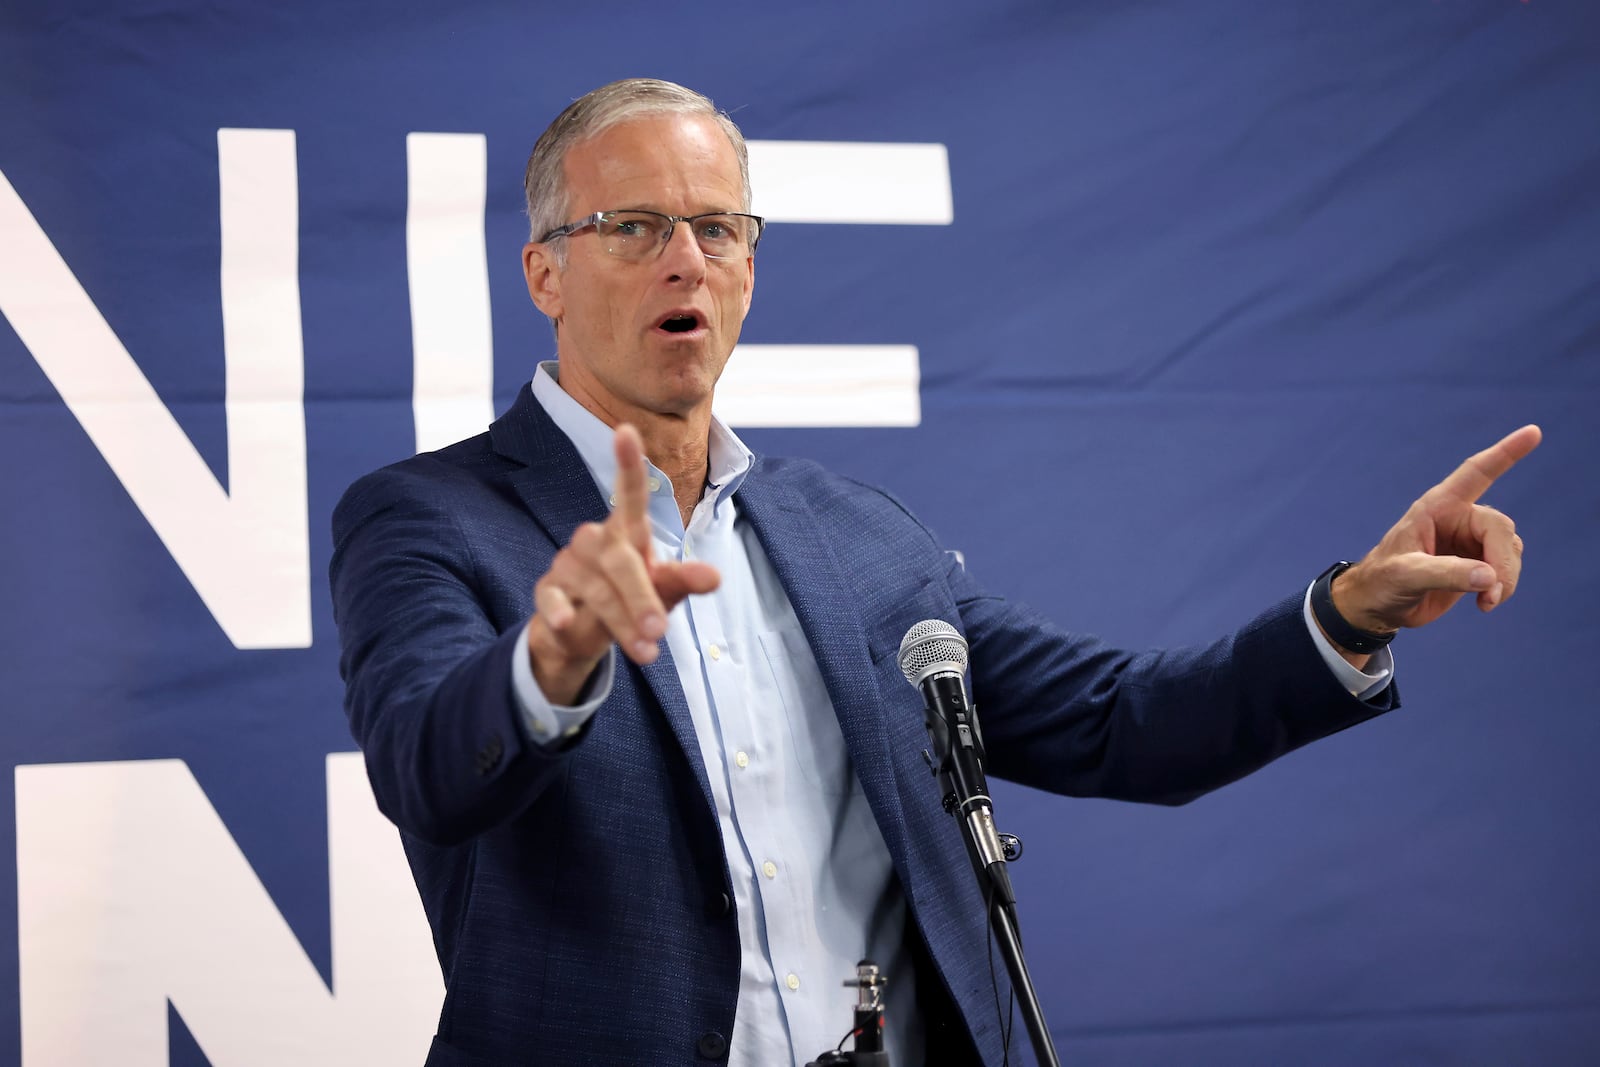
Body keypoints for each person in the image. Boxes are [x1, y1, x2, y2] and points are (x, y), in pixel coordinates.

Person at [329, 78, 1537, 1067]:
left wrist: (1344, 613)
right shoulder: (429, 516)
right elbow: (427, 765)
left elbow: (1124, 723)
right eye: (633, 227)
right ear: (544, 271)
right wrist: (551, 659)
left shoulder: (855, 534)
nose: (684, 260)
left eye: (718, 227)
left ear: (751, 264)